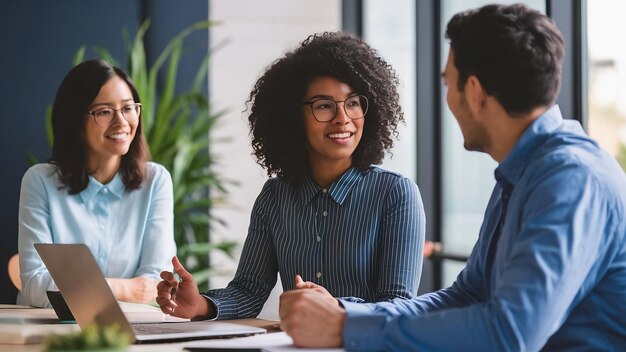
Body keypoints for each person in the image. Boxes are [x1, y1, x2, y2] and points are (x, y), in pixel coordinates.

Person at [279, 3, 626, 350]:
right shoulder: (522, 173)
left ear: (473, 92)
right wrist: (344, 314)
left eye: (448, 83)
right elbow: (468, 294)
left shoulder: (571, 179)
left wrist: (345, 328)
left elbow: (510, 333)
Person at [156, 31, 426, 320]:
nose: (343, 118)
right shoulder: (274, 196)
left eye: (353, 103)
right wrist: (201, 305)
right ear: (293, 117)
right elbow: (249, 291)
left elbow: (399, 306)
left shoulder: (396, 194)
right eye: (324, 105)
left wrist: (338, 308)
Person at [18, 60, 176, 308]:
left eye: (128, 108)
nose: (122, 122)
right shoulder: (39, 181)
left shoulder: (156, 181)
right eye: (104, 112)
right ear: (74, 120)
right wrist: (122, 287)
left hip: (131, 331)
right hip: (52, 331)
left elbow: (155, 283)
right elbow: (35, 285)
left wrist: (79, 286)